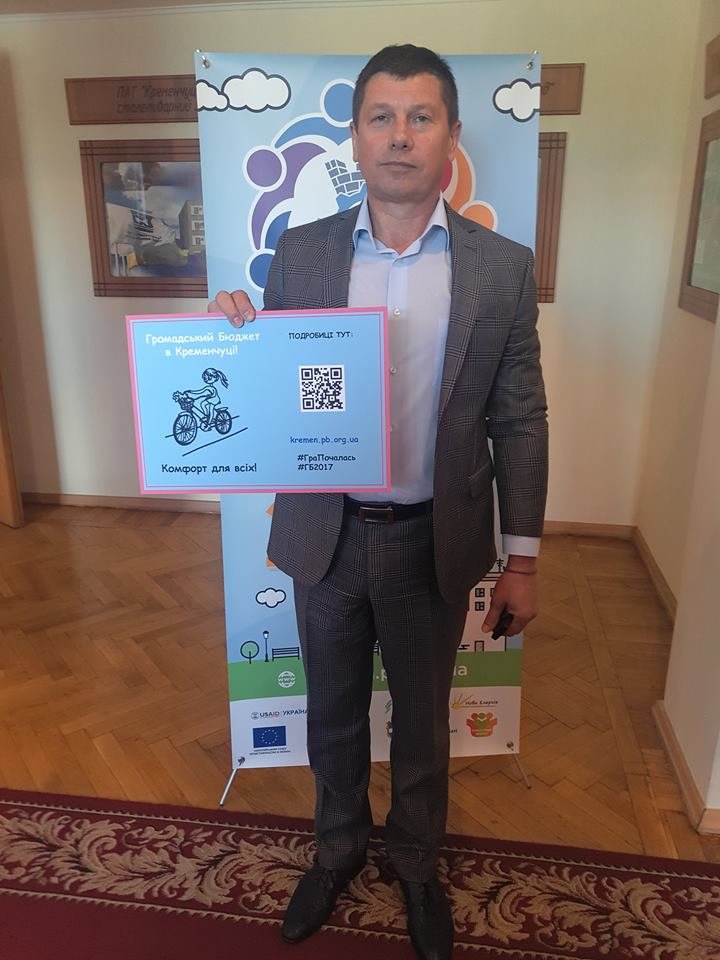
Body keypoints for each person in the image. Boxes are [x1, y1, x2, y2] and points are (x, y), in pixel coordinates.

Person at [211, 44, 548, 960]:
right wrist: (228, 345)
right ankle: (336, 851)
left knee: (425, 726)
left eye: (421, 117)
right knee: (331, 715)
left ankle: (416, 865)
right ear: (356, 136)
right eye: (382, 117)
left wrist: (522, 560)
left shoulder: (501, 269)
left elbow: (520, 419)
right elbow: (273, 389)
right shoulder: (302, 253)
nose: (401, 135)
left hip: (434, 539)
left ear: (451, 134)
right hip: (325, 535)